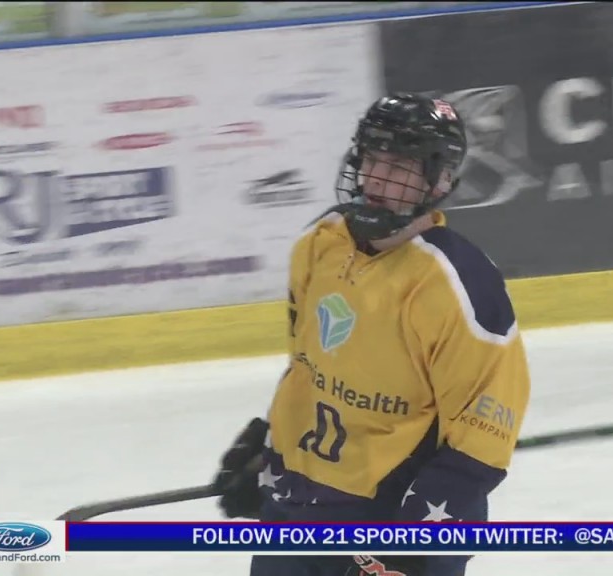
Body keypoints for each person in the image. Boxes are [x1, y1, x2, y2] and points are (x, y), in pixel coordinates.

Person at [212, 92, 532, 576]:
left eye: (400, 165)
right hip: (297, 512)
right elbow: (311, 368)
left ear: (439, 179)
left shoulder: (456, 283)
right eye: (372, 157)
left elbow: (483, 434)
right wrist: (272, 449)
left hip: (393, 523)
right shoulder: (320, 244)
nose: (378, 176)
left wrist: (408, 543)